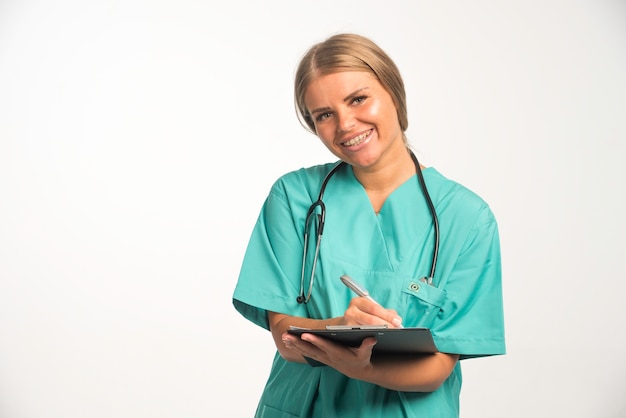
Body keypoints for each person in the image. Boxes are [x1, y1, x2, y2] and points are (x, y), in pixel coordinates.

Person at [232, 33, 505, 418]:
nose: (345, 124)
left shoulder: (466, 217)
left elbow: (438, 367)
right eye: (324, 114)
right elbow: (284, 337)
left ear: (394, 92)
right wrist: (338, 327)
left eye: (358, 99)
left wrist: (365, 367)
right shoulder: (295, 198)